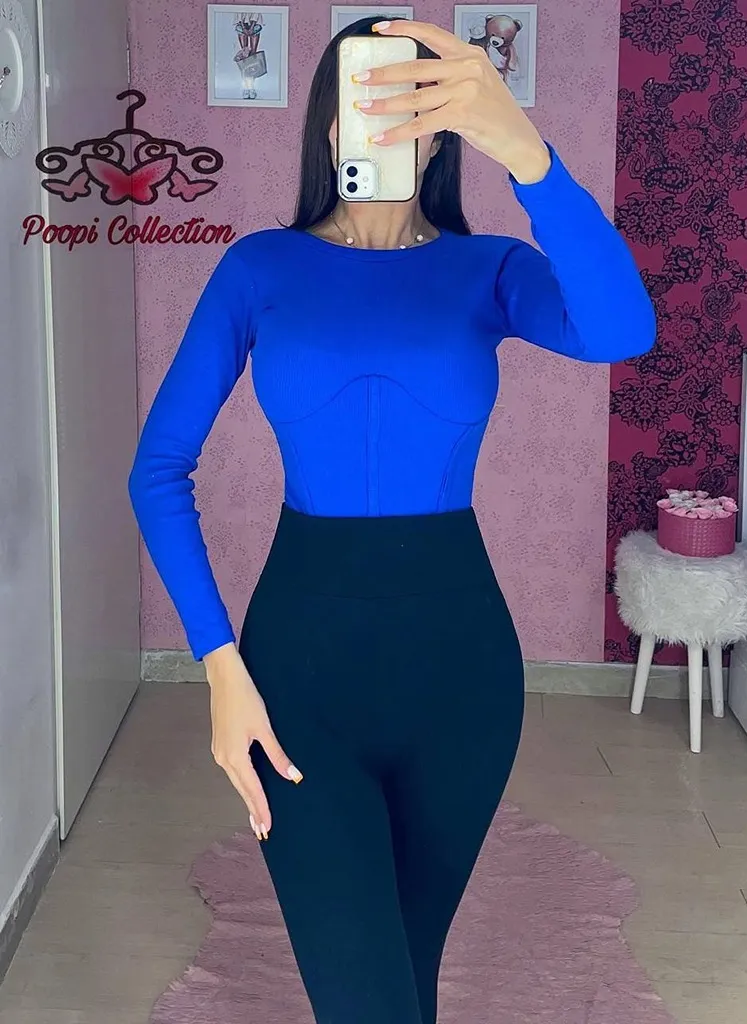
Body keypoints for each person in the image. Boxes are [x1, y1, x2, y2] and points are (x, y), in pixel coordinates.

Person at [129, 17, 655, 1024]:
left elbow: (622, 328)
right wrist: (219, 668)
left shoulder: (488, 269)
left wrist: (528, 154)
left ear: (443, 134)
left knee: (404, 983)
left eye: (411, 106)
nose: (380, 123)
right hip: (296, 682)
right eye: (360, 102)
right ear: (328, 130)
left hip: (461, 682)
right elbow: (158, 471)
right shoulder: (258, 268)